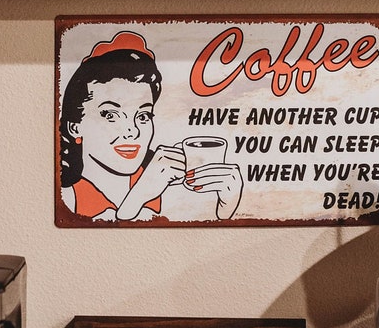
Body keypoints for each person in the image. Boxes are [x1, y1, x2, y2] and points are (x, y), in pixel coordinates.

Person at [59, 31, 243, 222]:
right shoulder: (67, 198)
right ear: (75, 127)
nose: (132, 131)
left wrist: (226, 209)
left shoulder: (166, 187)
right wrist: (136, 200)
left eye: (143, 116)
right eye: (110, 115)